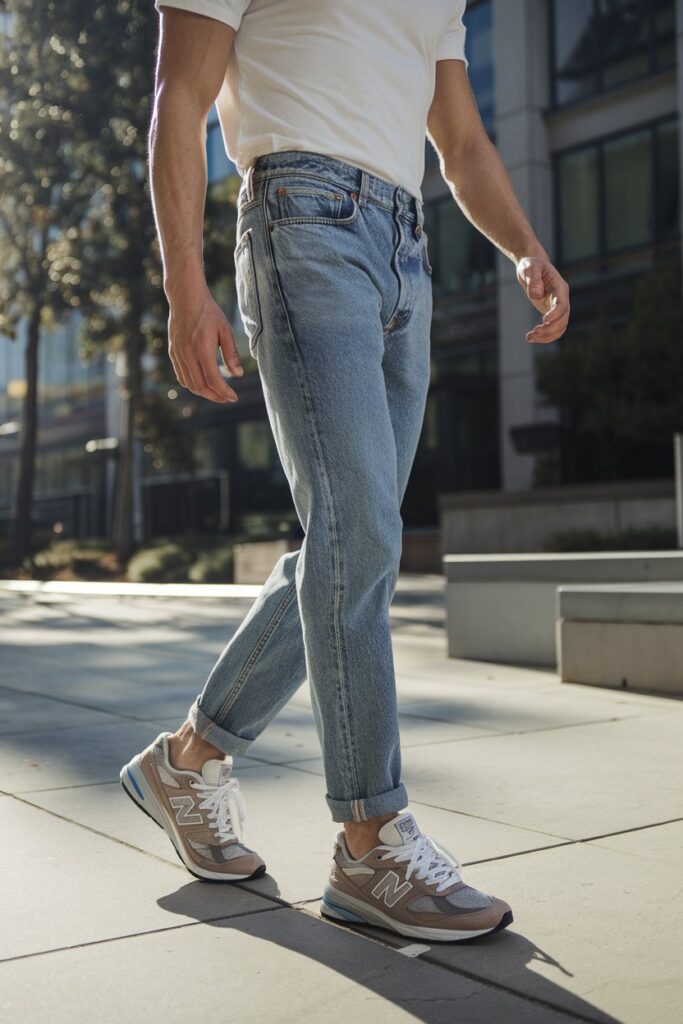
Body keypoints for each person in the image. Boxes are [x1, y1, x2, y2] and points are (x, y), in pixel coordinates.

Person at [120, 0, 569, 942]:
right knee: (357, 532)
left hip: (405, 245)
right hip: (301, 216)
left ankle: (187, 761)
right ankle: (370, 841)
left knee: (349, 540)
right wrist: (183, 287)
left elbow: (460, 142)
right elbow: (180, 94)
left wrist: (526, 246)